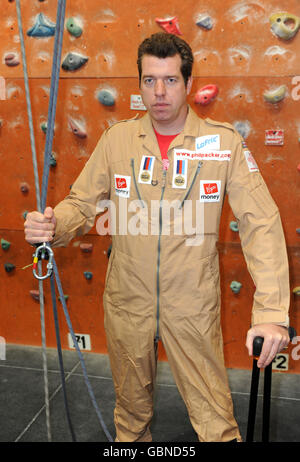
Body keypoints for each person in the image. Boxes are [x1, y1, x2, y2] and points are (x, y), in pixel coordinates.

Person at [24, 32, 290, 442]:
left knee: (216, 421)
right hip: (128, 301)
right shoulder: (118, 140)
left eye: (169, 80)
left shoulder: (222, 144)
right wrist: (53, 224)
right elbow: (81, 202)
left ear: (188, 83)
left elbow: (262, 223)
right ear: (140, 84)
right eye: (149, 80)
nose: (159, 92)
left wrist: (271, 312)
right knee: (130, 419)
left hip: (192, 303)